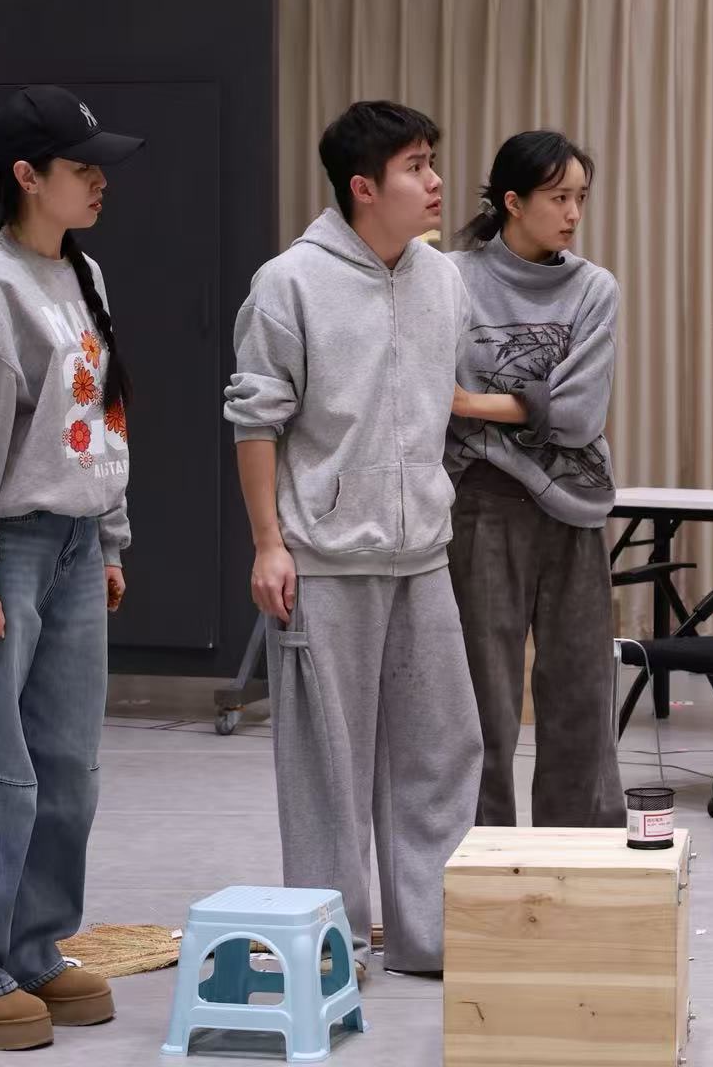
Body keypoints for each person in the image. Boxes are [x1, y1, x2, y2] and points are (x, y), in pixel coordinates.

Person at [224, 100, 483, 978]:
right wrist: (269, 543)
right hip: (324, 562)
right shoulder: (288, 283)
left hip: (424, 557)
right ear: (364, 187)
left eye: (433, 161)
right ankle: (331, 948)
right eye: (416, 166)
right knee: (327, 771)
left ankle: (429, 936)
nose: (436, 181)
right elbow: (255, 420)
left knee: (443, 753)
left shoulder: (443, 280)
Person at [0, 85, 144, 1050]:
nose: (99, 180)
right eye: (80, 166)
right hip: (4, 551)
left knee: (65, 769)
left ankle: (35, 949)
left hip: (76, 546)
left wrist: (110, 534)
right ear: (26, 177)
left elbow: (99, 414)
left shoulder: (83, 274)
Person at [447, 130, 625, 829]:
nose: (573, 213)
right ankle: (480, 857)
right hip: (481, 505)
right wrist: (529, 403)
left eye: (581, 197)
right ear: (513, 202)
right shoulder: (451, 280)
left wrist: (468, 402)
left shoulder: (593, 288)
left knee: (582, 690)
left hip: (574, 505)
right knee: (482, 698)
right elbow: (423, 391)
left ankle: (580, 856)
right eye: (558, 198)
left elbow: (579, 414)